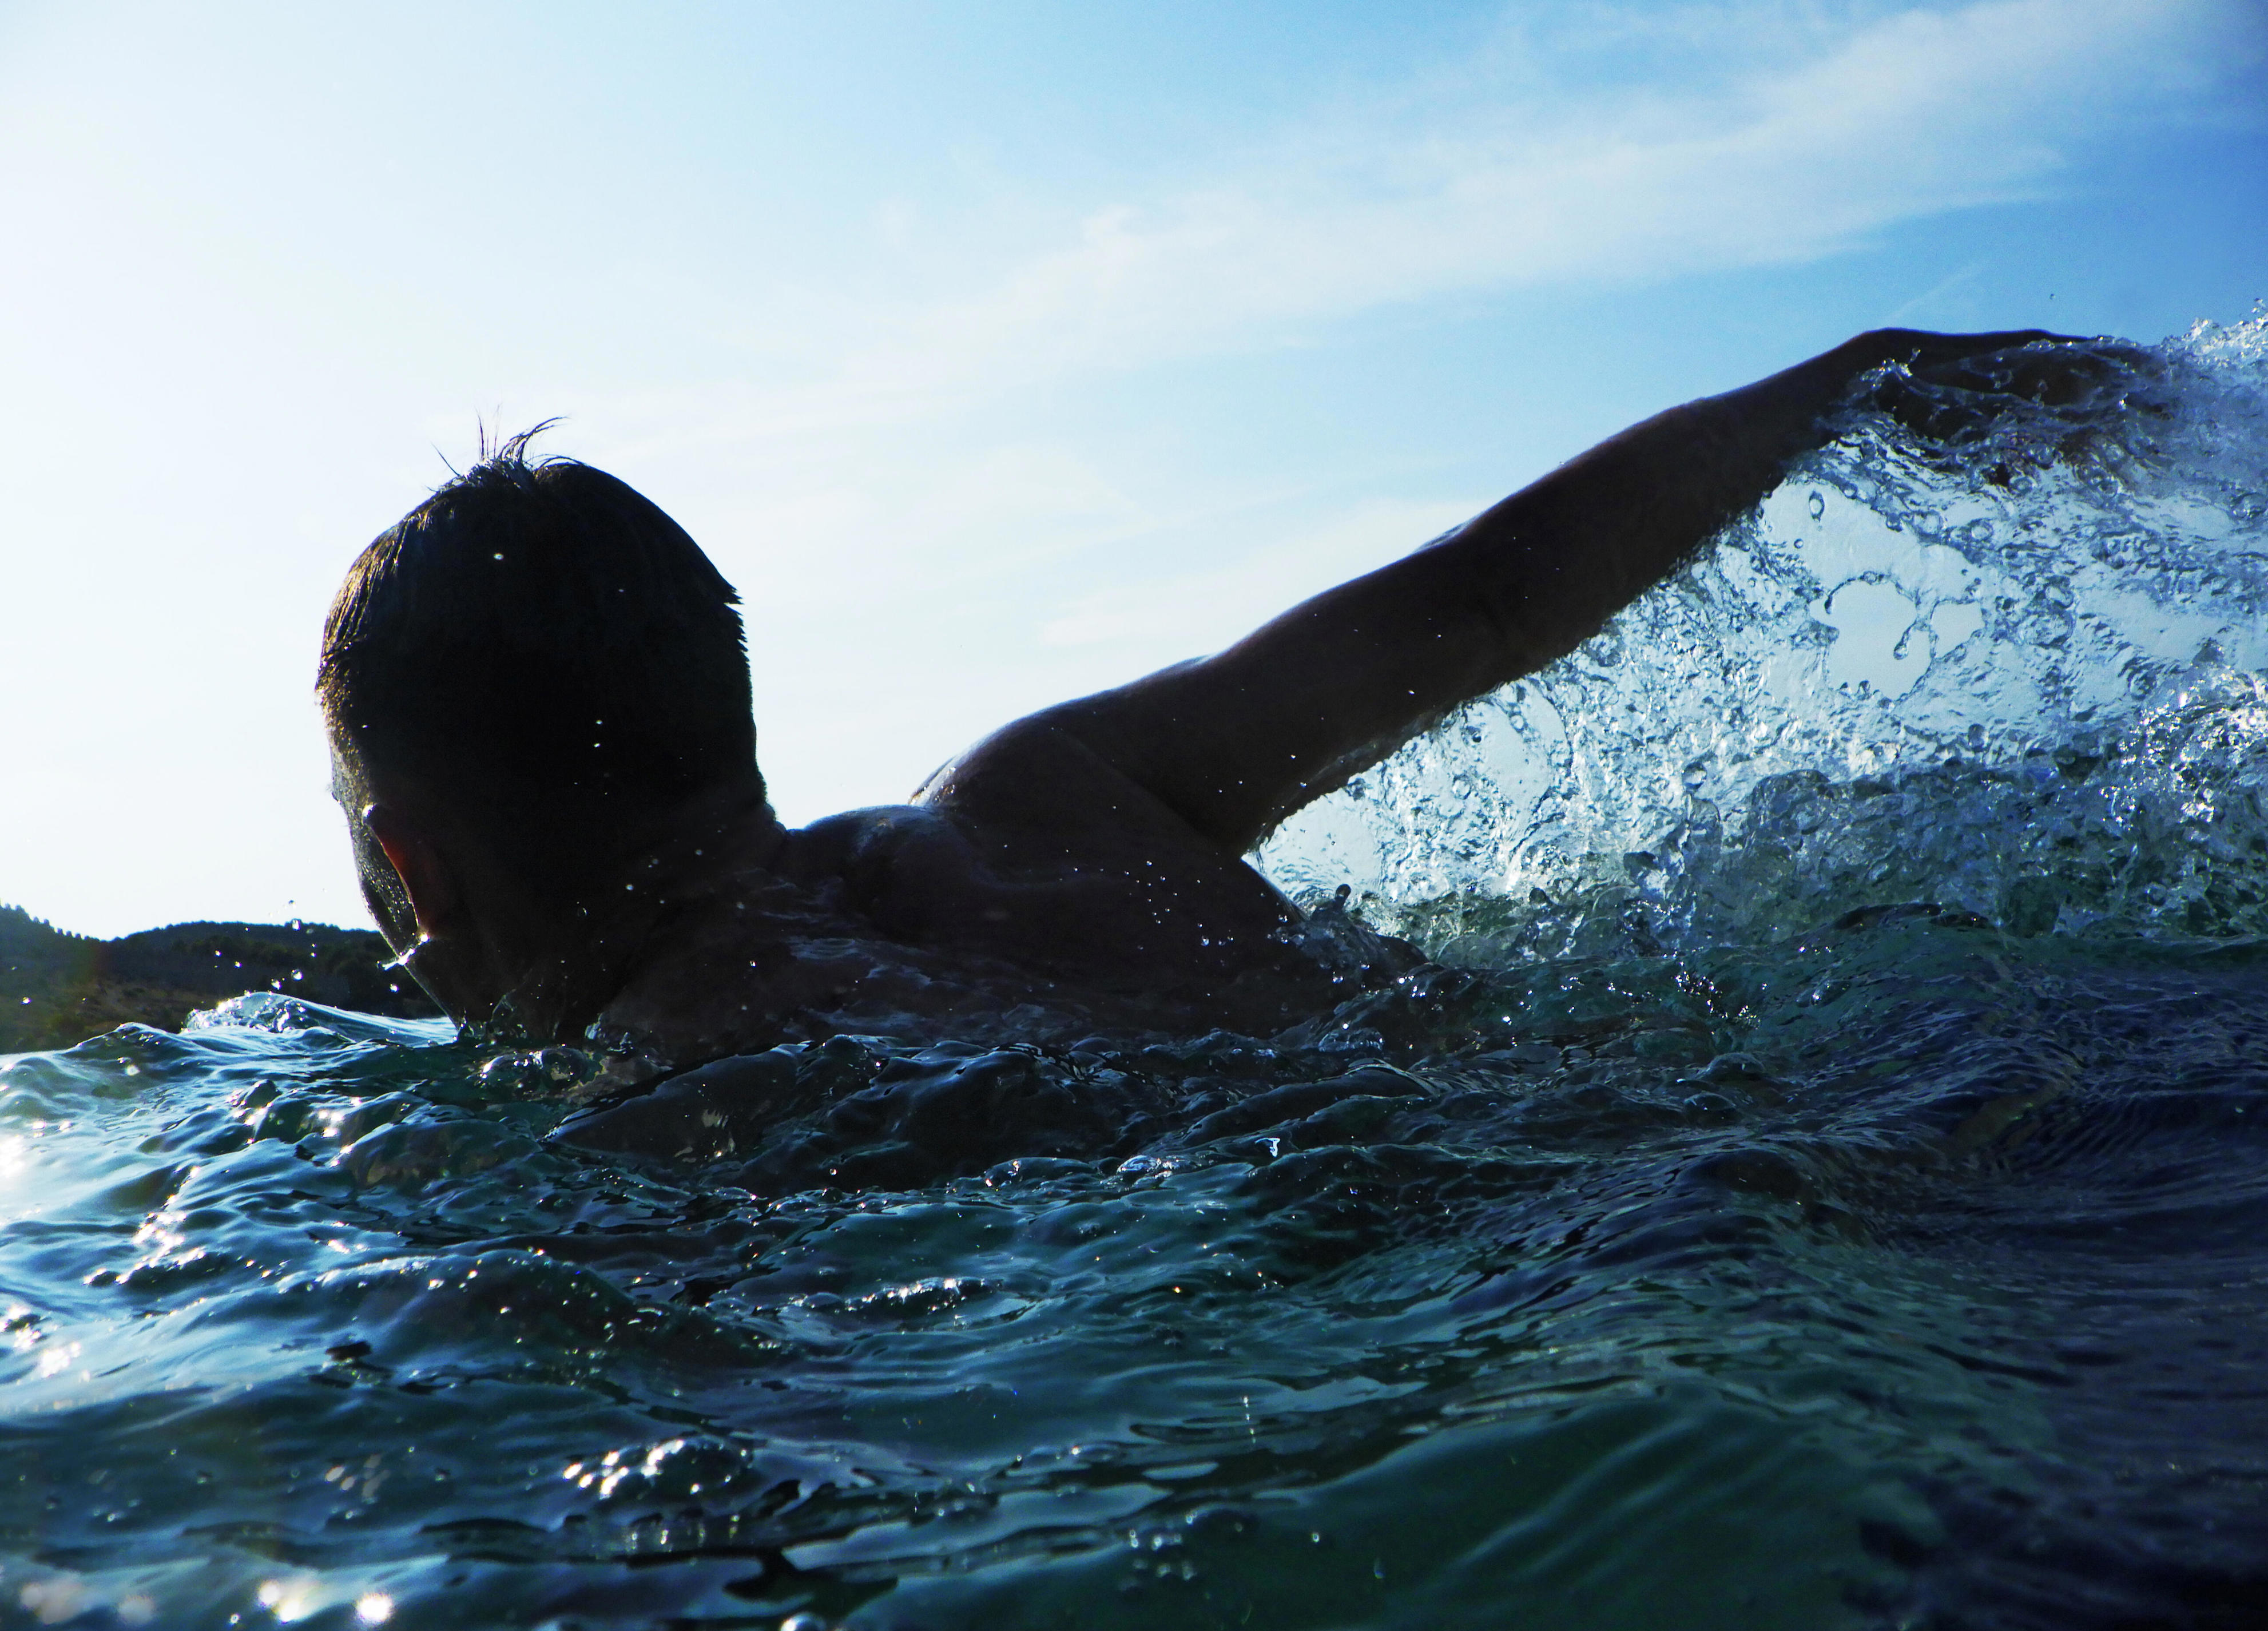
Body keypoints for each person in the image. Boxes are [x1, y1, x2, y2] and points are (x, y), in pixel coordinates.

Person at [319, 328, 2088, 1063]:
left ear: (415, 877)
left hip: (1552, 1288)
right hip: (1751, 1106)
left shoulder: (664, 1124)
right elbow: (1488, 596)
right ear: (726, 695)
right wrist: (1858, 380)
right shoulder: (1049, 793)